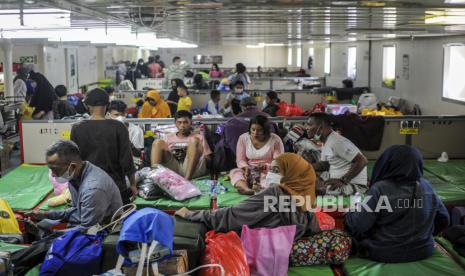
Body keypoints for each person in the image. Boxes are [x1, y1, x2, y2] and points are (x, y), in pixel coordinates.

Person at [176, 153, 319, 239]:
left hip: (262, 250)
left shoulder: (275, 193)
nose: (270, 175)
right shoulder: (306, 195)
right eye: (271, 170)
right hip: (286, 249)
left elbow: (232, 216)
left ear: (291, 175)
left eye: (276, 171)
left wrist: (191, 214)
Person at [345, 145, 450, 263]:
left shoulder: (380, 189)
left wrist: (350, 213)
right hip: (424, 251)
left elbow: (360, 224)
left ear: (387, 162)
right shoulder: (427, 187)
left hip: (385, 253)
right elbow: (444, 219)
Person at [24, 140, 122, 230]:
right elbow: (76, 210)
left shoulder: (93, 189)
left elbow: (87, 231)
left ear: (73, 166)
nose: (53, 175)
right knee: (44, 224)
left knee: (44, 239)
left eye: (55, 169)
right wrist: (46, 214)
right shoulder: (75, 175)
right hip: (85, 221)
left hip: (101, 231)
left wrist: (48, 234)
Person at [70, 88, 136, 204]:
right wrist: (133, 185)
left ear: (87, 106)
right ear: (108, 105)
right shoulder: (118, 127)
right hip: (116, 187)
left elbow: (74, 162)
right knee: (118, 220)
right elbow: (127, 161)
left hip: (88, 188)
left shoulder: (77, 128)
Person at [305, 113, 368, 196]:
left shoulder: (337, 142)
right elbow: (325, 165)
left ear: (320, 127)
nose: (306, 128)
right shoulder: (326, 140)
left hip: (354, 185)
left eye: (309, 125)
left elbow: (362, 161)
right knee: (308, 180)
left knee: (312, 189)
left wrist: (342, 180)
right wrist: (304, 167)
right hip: (340, 180)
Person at [230, 115, 284, 195]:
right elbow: (240, 160)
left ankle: (260, 188)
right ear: (249, 129)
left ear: (265, 130)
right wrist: (246, 168)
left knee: (269, 178)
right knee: (235, 172)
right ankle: (246, 188)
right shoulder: (243, 138)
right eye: (253, 129)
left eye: (259, 130)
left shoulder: (275, 140)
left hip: (269, 170)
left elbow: (278, 161)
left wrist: (265, 166)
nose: (255, 133)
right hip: (251, 170)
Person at [151, 110, 211, 180]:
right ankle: (154, 179)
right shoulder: (168, 137)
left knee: (194, 140)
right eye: (179, 122)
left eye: (185, 122)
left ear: (190, 122)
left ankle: (186, 180)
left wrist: (193, 153)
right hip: (174, 167)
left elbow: (208, 160)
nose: (182, 125)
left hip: (192, 168)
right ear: (175, 123)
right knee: (157, 142)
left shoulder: (199, 137)